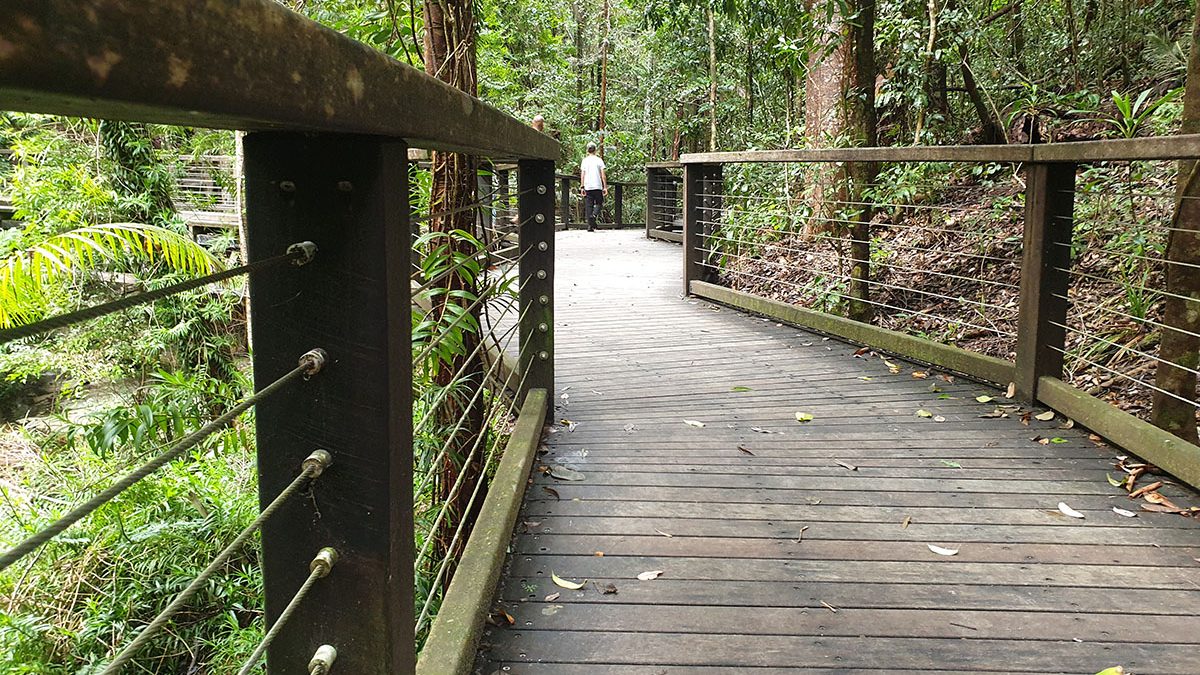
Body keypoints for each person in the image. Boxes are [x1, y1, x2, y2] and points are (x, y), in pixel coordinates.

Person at [579, 141, 607, 231]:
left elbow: (582, 174)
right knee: (599, 203)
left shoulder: (585, 161)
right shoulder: (599, 160)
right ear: (595, 150)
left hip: (588, 186)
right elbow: (603, 175)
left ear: (587, 150)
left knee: (589, 205)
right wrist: (605, 187)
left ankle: (590, 226)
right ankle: (594, 216)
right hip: (597, 185)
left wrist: (582, 186)